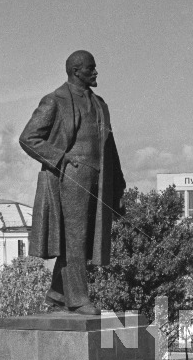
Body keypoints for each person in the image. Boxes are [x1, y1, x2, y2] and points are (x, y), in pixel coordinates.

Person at [19, 50, 126, 315]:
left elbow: (109, 147)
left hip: (98, 179)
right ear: (76, 71)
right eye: (91, 68)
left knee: (84, 240)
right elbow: (29, 138)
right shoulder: (54, 101)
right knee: (76, 239)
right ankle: (77, 299)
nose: (96, 72)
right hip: (70, 178)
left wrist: (118, 185)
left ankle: (57, 296)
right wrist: (62, 159)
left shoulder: (100, 104)